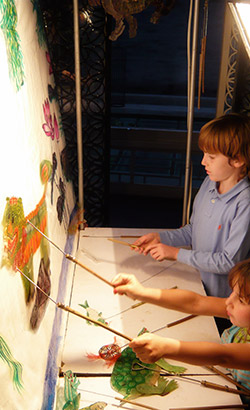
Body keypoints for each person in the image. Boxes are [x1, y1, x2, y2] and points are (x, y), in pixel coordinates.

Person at [132, 113, 250, 302]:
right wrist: (162, 238)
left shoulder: (245, 203)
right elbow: (192, 231)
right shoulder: (209, 183)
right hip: (197, 285)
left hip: (222, 301)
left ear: (237, 160)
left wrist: (175, 253)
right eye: (204, 154)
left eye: (211, 156)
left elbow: (229, 262)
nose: (203, 162)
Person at [111, 258, 250, 400]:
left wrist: (166, 348)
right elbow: (196, 302)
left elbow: (223, 356)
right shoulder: (239, 313)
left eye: (241, 300)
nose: (228, 301)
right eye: (233, 292)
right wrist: (142, 293)